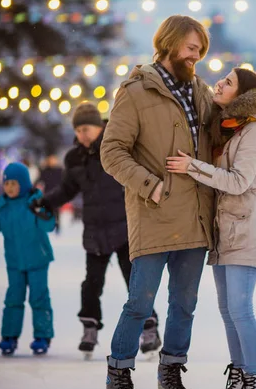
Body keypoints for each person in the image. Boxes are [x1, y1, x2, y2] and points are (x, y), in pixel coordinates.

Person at [100, 15, 214, 389]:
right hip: (153, 212)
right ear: (167, 44)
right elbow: (111, 151)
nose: (196, 54)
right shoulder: (135, 90)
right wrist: (149, 185)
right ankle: (119, 379)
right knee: (140, 303)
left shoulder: (201, 91)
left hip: (195, 217)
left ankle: (171, 377)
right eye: (190, 46)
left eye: (200, 49)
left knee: (184, 305)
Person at [166, 67, 256, 389]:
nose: (220, 83)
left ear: (243, 95)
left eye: (228, 82)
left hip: (245, 228)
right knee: (229, 311)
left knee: (241, 309)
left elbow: (238, 181)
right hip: (224, 229)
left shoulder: (253, 133)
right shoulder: (229, 130)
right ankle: (242, 379)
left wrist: (192, 167)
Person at [30, 103, 161, 358]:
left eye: (86, 128)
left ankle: (149, 328)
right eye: (78, 130)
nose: (82, 134)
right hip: (95, 230)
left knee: (135, 281)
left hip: (125, 226)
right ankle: (89, 328)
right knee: (91, 284)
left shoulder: (117, 147)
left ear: (100, 126)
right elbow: (68, 190)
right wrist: (45, 202)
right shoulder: (74, 158)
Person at [0, 163, 56, 356]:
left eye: (14, 183)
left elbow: (49, 226)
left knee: (39, 298)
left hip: (38, 258)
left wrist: (43, 212)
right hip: (15, 262)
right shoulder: (1, 206)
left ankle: (42, 336)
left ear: (24, 183)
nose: (9, 187)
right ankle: (9, 337)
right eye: (6, 183)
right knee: (13, 299)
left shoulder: (34, 201)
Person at [36, 155, 64, 233]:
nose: (52, 162)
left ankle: (57, 225)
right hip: (48, 193)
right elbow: (39, 180)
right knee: (48, 210)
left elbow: (64, 180)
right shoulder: (45, 171)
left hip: (57, 193)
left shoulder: (59, 170)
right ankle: (49, 225)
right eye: (50, 160)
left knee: (56, 210)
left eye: (53, 160)